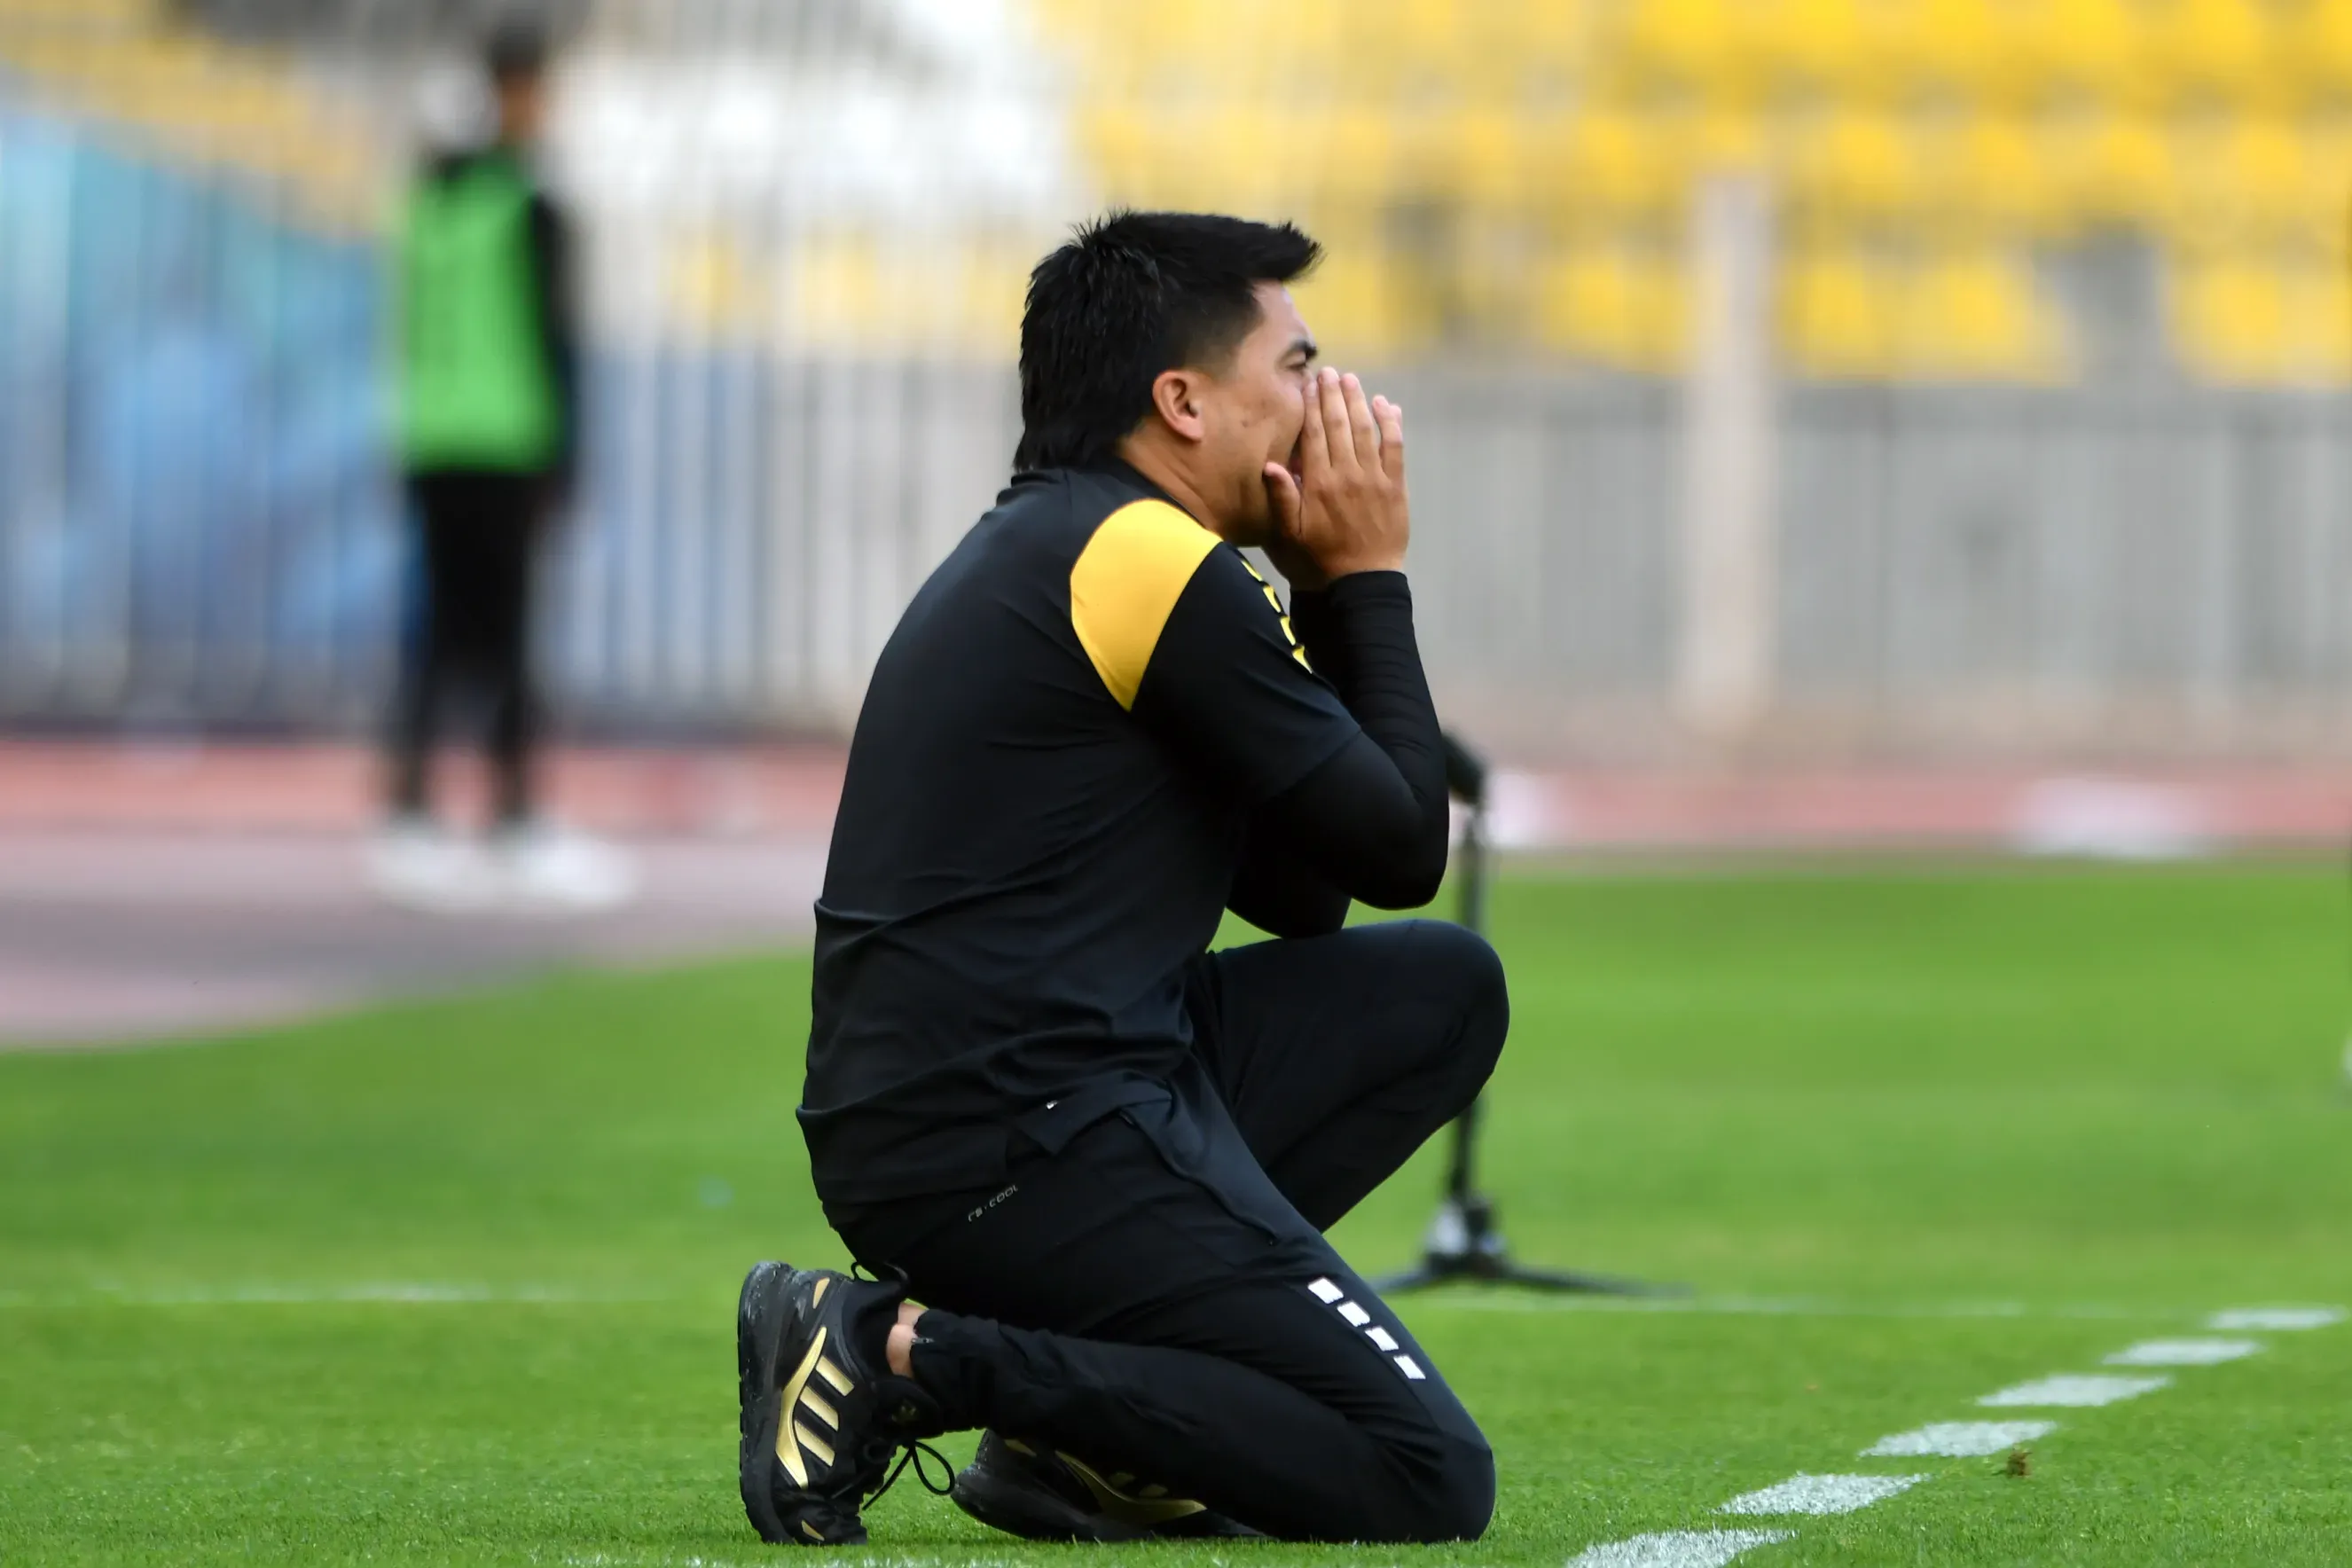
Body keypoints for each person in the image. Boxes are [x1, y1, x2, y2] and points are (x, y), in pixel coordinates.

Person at [735, 212, 1509, 1547]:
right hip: (1017, 1135)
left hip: (1016, 1104)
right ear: (1184, 402)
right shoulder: (1143, 560)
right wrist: (1365, 578)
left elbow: (1311, 894)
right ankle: (896, 1351)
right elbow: (1402, 853)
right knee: (1424, 1471)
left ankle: (1081, 1440)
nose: (1326, 400)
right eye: (1297, 365)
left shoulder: (1097, 547)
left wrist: (1319, 592)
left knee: (1440, 994)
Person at [369, 20, 631, 913]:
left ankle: (410, 814)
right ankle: (513, 818)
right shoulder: (531, 204)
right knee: (510, 637)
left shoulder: (431, 197)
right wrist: (568, 455)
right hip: (508, 439)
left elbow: (412, 323)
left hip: (432, 437)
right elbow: (557, 341)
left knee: (436, 632)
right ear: (522, 90)